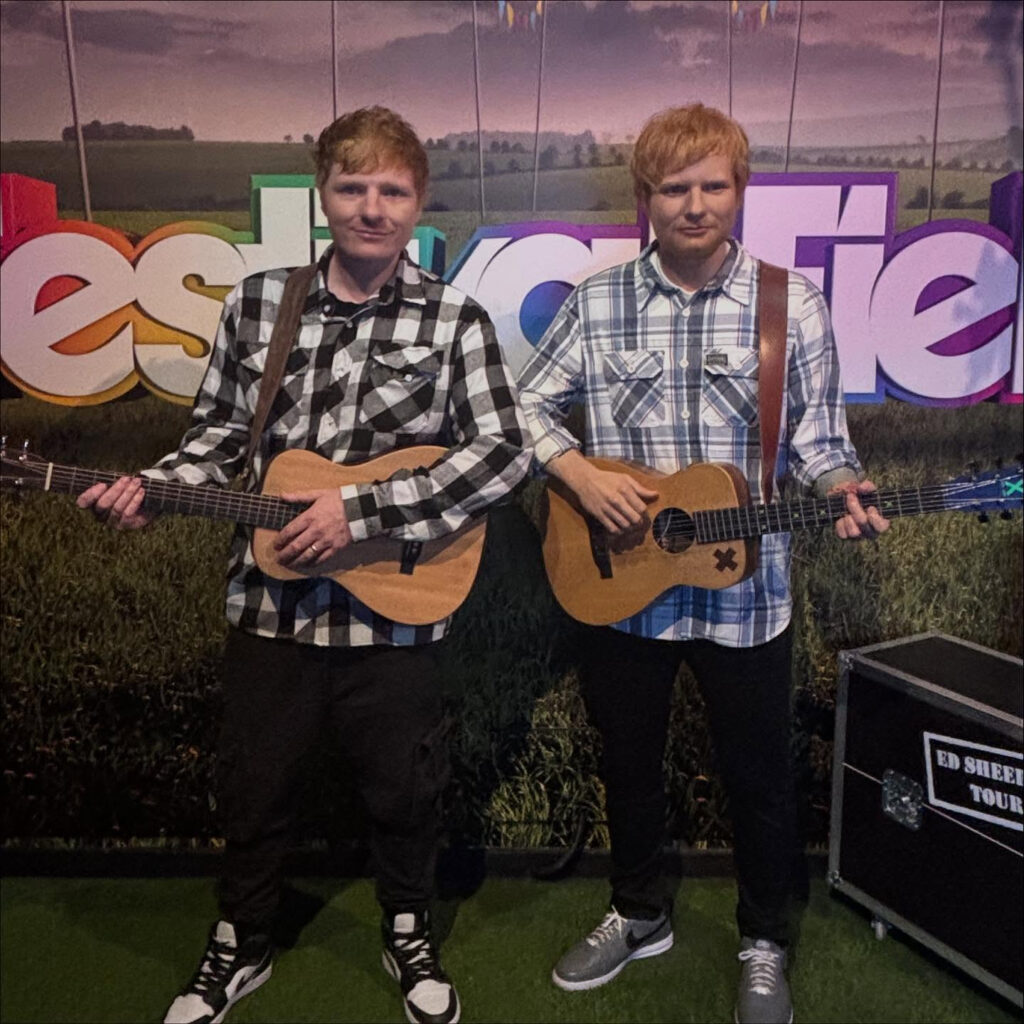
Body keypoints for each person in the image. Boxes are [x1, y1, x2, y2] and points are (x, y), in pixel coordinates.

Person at [77, 105, 532, 1024]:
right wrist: (156, 487)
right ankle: (241, 940)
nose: (372, 207)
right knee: (255, 788)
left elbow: (503, 454)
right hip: (268, 610)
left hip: (398, 609)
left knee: (405, 789)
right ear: (322, 194)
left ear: (420, 202)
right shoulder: (259, 303)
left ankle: (408, 929)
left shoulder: (456, 320)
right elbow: (213, 440)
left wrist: (359, 508)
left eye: (392, 190)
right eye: (353, 186)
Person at [515, 103, 889, 1024]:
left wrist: (843, 484)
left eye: (711, 185)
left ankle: (765, 940)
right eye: (673, 187)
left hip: (746, 594)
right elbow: (517, 410)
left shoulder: (788, 302)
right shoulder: (597, 303)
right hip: (619, 584)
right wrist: (575, 473)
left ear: (739, 190)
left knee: (759, 774)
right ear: (645, 196)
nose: (693, 205)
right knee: (628, 761)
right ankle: (640, 911)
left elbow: (817, 439)